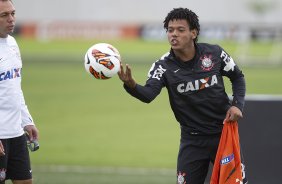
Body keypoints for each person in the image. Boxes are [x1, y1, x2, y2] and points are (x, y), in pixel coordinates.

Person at [118, 7, 247, 184]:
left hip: (223, 135)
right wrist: (131, 85)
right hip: (192, 140)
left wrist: (237, 105)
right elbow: (148, 94)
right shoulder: (162, 66)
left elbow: (238, 77)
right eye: (170, 30)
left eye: (180, 30)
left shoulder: (214, 53)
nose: (174, 35)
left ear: (193, 33)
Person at [0, 0, 39, 183]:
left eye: (13, 14)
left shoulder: (13, 43)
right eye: (4, 15)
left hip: (16, 134)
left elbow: (15, 87)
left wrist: (26, 120)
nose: (11, 19)